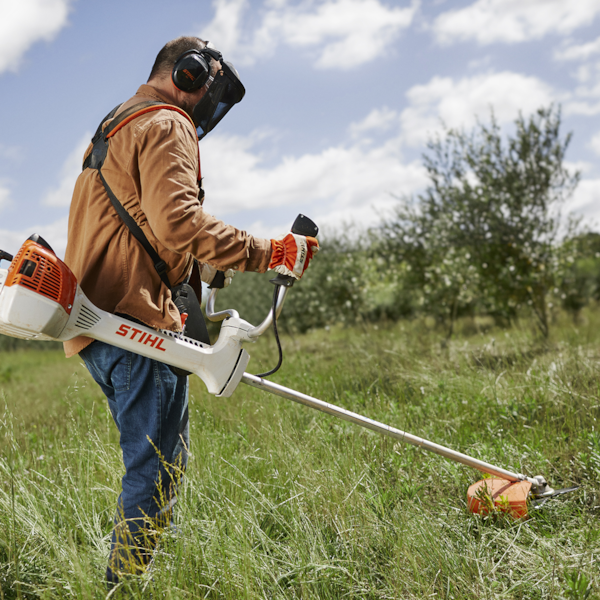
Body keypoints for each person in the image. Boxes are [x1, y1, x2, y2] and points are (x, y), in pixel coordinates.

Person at [63, 36, 318, 585]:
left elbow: (149, 230)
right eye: (211, 87)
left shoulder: (114, 127)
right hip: (134, 324)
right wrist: (271, 251)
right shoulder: (166, 122)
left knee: (153, 468)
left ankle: (131, 580)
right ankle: (126, 588)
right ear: (188, 73)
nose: (209, 102)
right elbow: (179, 222)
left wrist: (205, 276)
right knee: (155, 474)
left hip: (102, 325)